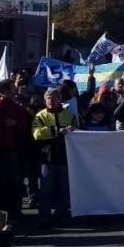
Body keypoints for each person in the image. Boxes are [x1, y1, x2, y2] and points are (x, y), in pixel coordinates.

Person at [0, 80, 31, 221]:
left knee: (14, 181)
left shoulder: (16, 108)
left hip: (10, 150)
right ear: (4, 90)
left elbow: (25, 125)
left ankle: (15, 212)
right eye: (12, 89)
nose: (15, 91)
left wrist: (15, 123)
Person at [32, 88, 78, 226]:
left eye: (53, 98)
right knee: (46, 189)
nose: (51, 101)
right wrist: (57, 131)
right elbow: (36, 134)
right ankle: (44, 217)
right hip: (47, 158)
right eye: (48, 98)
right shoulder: (40, 116)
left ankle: (61, 215)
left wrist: (72, 129)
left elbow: (78, 129)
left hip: (65, 157)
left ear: (59, 100)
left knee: (64, 189)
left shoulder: (69, 115)